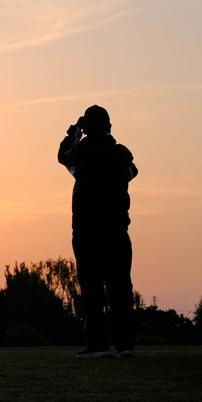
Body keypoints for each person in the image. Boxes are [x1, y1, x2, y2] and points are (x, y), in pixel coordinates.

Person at [58, 105, 138, 358]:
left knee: (92, 289)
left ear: (87, 128)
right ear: (109, 127)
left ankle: (98, 344)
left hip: (87, 232)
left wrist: (75, 130)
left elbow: (63, 155)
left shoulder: (80, 155)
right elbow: (132, 172)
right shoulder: (120, 155)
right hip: (117, 231)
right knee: (120, 289)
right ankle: (125, 345)